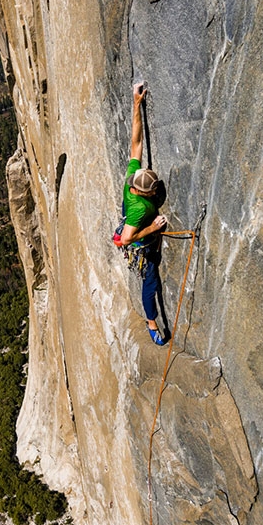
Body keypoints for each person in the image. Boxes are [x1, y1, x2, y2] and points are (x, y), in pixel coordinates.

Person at [118, 82, 168, 345]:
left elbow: (136, 141)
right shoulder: (139, 209)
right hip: (139, 240)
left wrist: (136, 104)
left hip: (134, 220)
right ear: (146, 193)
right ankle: (151, 322)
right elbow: (127, 240)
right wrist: (154, 228)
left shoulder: (132, 177)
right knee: (151, 281)